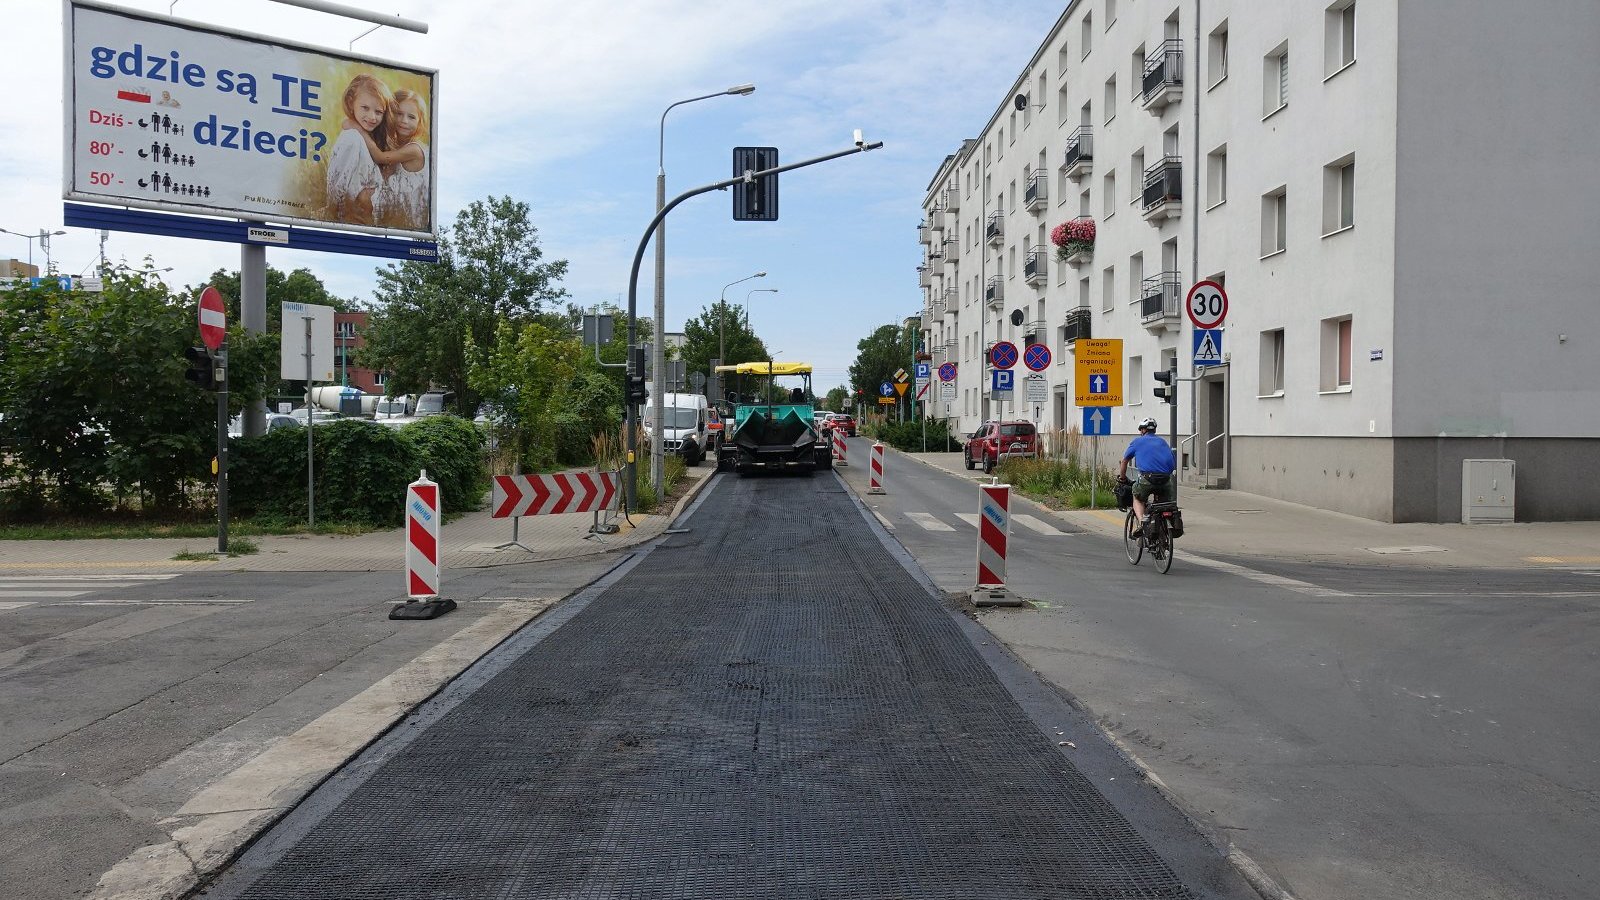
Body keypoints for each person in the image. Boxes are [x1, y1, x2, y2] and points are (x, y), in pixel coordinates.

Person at [344, 88, 430, 231]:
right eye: (399, 114)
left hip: (413, 219)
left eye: (411, 117)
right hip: (394, 210)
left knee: (364, 198)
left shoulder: (415, 150)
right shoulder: (393, 143)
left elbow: (380, 157)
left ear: (420, 122)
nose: (404, 121)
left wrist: (358, 129)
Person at [325, 74, 392, 225]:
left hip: (366, 221)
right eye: (365, 108)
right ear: (350, 102)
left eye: (378, 112)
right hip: (347, 219)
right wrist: (334, 214)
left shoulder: (370, 137)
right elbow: (338, 184)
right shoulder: (352, 139)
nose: (372, 117)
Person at [1117, 417, 1176, 531]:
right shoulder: (1163, 442)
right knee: (1164, 505)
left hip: (1147, 479)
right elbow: (1172, 463)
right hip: (1165, 480)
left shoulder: (1137, 442)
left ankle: (1142, 523)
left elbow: (1125, 461)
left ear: (1143, 430)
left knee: (1137, 497)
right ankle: (1164, 533)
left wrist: (1122, 477)